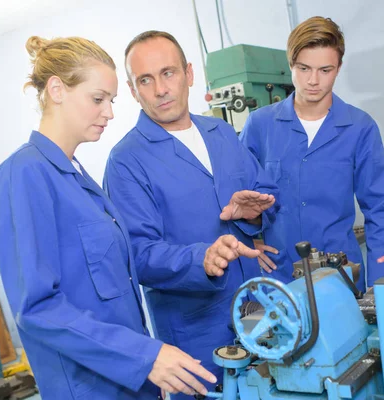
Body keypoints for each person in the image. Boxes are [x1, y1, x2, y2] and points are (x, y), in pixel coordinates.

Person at [0, 35, 216, 400]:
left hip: (129, 383)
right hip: (89, 387)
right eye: (97, 99)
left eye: (110, 100)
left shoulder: (76, 177)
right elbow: (38, 307)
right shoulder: (24, 175)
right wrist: (145, 356)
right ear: (57, 90)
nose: (109, 112)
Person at [103, 31, 279, 399]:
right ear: (133, 91)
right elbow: (138, 254)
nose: (160, 89)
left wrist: (251, 217)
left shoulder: (223, 134)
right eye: (145, 80)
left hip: (256, 311)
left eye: (168, 73)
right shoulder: (127, 161)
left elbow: (264, 199)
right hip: (195, 332)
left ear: (189, 73)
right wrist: (203, 258)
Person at [240, 16, 384, 291]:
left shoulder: (359, 128)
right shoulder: (259, 126)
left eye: (325, 70)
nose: (313, 81)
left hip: (340, 278)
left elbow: (380, 210)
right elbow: (235, 197)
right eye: (304, 68)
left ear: (338, 68)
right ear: (290, 65)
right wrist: (247, 242)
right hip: (276, 280)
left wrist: (380, 287)